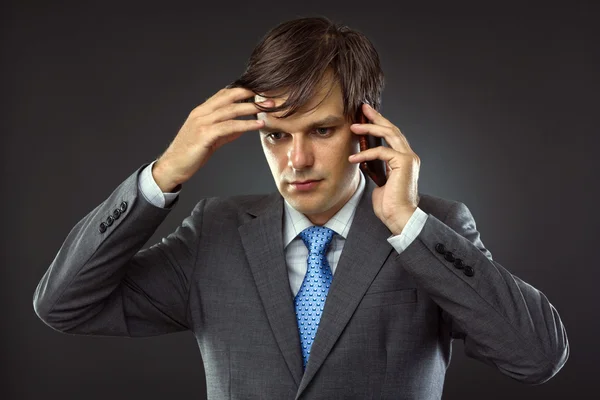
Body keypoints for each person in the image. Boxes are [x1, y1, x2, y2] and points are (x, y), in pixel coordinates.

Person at [33, 16, 568, 399]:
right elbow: (64, 306)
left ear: (366, 125)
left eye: (322, 130)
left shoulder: (435, 230)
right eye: (275, 136)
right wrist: (163, 173)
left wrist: (408, 224)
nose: (297, 159)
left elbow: (537, 357)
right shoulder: (214, 233)